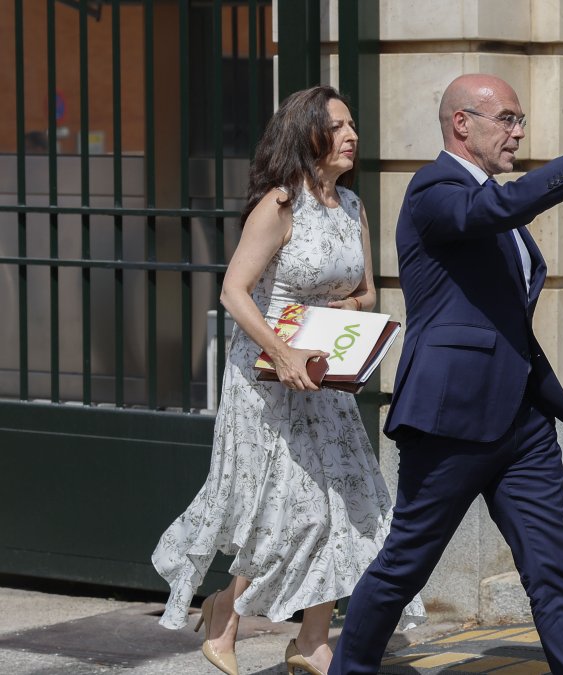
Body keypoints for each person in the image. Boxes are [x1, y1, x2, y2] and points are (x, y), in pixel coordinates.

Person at [329, 73, 563, 675]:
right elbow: (502, 207)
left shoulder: (490, 197)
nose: (518, 132)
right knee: (404, 565)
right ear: (463, 123)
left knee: (554, 571)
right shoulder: (433, 188)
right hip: (450, 419)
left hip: (522, 421)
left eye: (519, 121)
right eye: (506, 119)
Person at [152, 85, 424, 675]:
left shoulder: (351, 207)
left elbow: (366, 291)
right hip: (268, 380)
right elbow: (233, 291)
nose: (353, 135)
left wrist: (345, 323)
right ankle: (226, 609)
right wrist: (285, 349)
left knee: (345, 506)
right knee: (290, 511)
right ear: (309, 136)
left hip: (326, 379)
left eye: (354, 125)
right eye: (340, 126)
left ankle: (311, 640)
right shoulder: (279, 205)